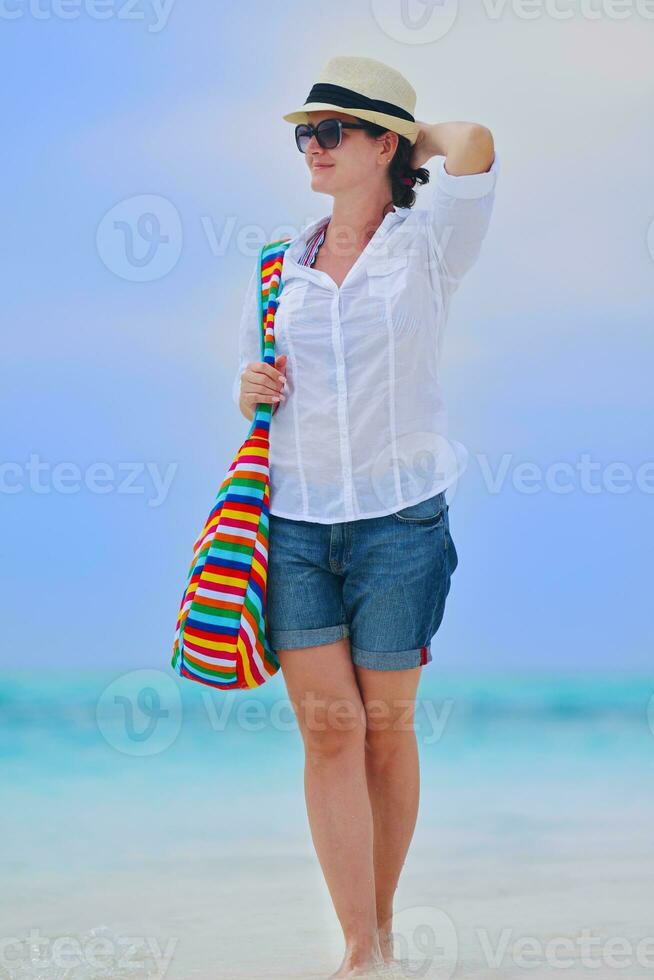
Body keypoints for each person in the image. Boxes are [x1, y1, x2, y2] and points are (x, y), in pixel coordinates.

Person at [233, 55, 500, 979]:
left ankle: (381, 934)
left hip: (399, 524)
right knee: (327, 729)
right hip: (296, 522)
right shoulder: (279, 267)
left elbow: (473, 145)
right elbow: (272, 385)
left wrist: (404, 138)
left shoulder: (428, 248)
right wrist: (251, 388)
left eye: (333, 131)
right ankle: (357, 948)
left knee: (385, 729)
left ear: (382, 142)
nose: (312, 147)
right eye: (306, 132)